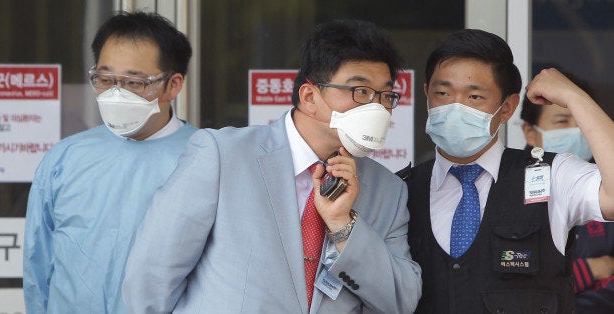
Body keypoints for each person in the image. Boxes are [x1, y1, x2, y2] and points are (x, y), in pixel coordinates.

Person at [122, 19, 422, 313]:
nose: (376, 107)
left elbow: (401, 299)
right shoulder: (223, 155)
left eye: (385, 95)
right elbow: (151, 278)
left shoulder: (388, 189)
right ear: (309, 96)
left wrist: (345, 226)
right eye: (361, 91)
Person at [396, 29, 614, 313]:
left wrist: (575, 97)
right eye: (443, 93)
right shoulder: (400, 191)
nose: (455, 107)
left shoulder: (552, 174)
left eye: (474, 97)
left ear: (507, 108)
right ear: (426, 94)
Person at [23, 11, 196, 313]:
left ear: (173, 85)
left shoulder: (206, 159)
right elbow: (39, 261)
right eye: (105, 79)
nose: (116, 94)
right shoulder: (66, 159)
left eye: (133, 82)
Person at [520, 75, 614, 314]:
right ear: (530, 133)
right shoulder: (508, 188)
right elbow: (512, 282)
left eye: (581, 122)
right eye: (562, 121)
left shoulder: (607, 190)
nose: (576, 131)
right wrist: (588, 271)